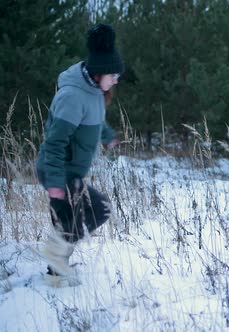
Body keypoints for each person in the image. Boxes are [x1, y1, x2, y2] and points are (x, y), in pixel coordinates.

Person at [36, 23, 124, 282]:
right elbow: (53, 144)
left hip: (70, 171)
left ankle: (55, 276)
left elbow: (94, 121)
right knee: (100, 209)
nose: (116, 79)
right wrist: (55, 188)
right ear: (98, 72)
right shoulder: (73, 96)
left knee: (66, 222)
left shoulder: (95, 90)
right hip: (58, 170)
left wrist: (109, 138)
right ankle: (55, 253)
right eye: (114, 75)